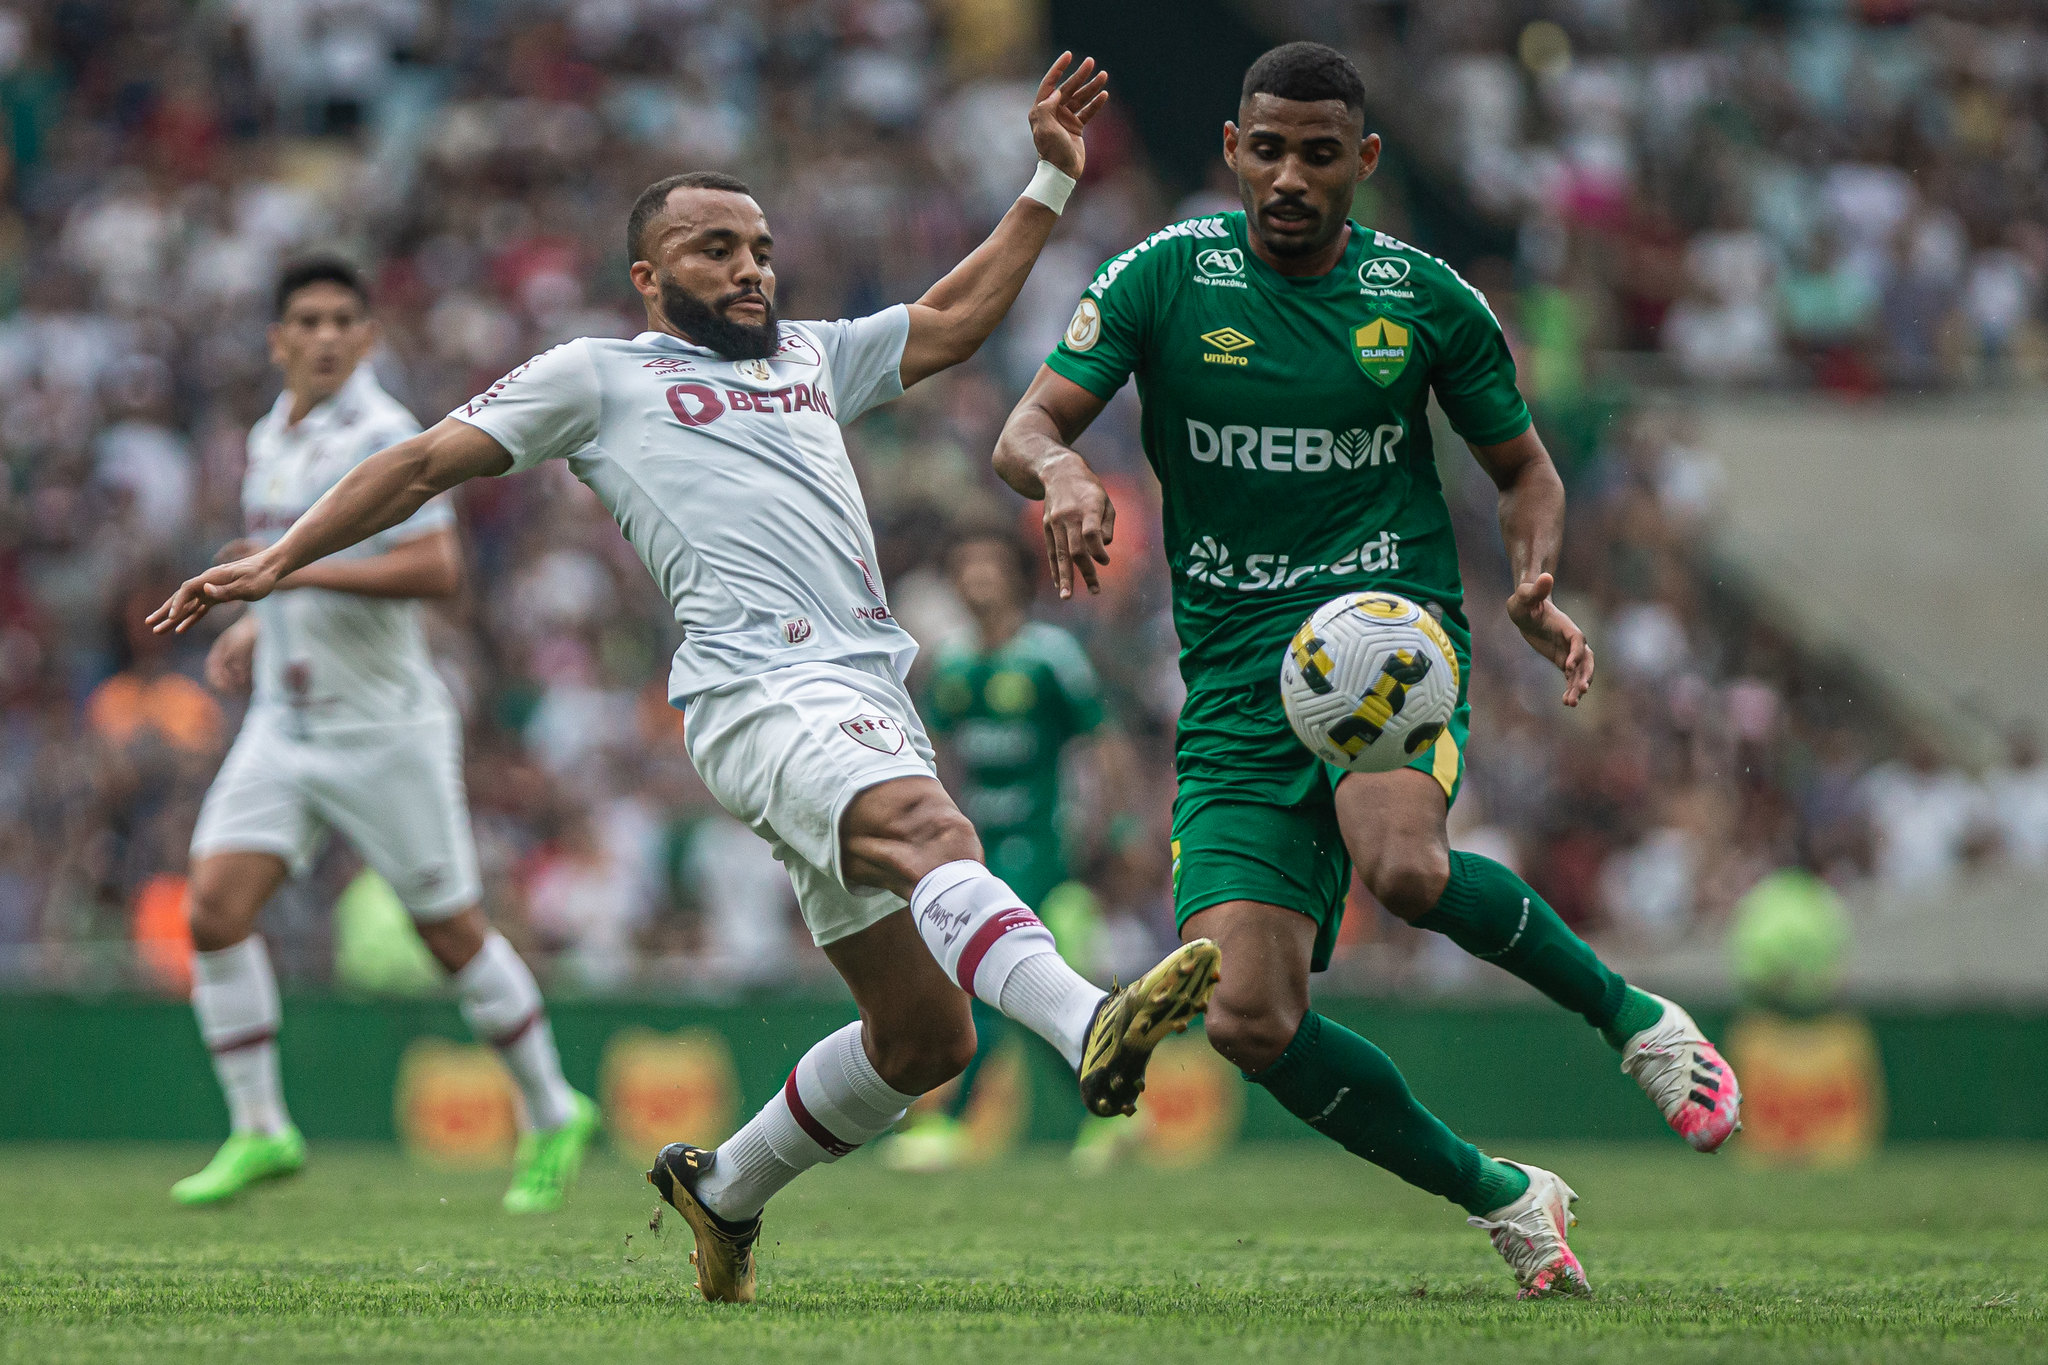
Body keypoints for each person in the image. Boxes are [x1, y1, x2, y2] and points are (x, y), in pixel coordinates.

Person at [151, 56, 1220, 1305]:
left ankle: (724, 1190)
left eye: (758, 244)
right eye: (713, 249)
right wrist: (281, 557)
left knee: (925, 1039)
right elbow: (423, 464)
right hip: (756, 691)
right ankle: (1087, 1016)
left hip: (865, 693)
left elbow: (949, 322)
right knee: (932, 832)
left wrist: (1046, 177)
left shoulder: (814, 355)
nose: (750, 266)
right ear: (648, 278)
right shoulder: (594, 375)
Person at [992, 42, 1743, 1299]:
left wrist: (1531, 580)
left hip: (1378, 633)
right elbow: (1028, 424)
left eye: (1319, 154)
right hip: (1231, 684)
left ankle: (1637, 1025)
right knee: (1246, 1019)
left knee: (1400, 867)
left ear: (1365, 164)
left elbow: (1524, 469)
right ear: (1231, 152)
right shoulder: (1163, 278)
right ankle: (1502, 1195)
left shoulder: (1423, 297)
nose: (1290, 176)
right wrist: (1064, 471)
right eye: (1267, 150)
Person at [172, 257, 600, 1211]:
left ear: (367, 335)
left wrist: (282, 577)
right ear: (278, 338)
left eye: (342, 321)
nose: (325, 336)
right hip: (286, 721)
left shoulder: (384, 431)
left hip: (384, 728)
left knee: (450, 933)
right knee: (212, 909)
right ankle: (260, 1128)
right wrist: (256, 621)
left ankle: (550, 1107)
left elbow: (434, 567)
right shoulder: (266, 436)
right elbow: (288, 568)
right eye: (307, 321)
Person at [879, 522, 1134, 1174]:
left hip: (1042, 840)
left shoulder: (1051, 655)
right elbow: (932, 752)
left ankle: (951, 1126)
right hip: (978, 847)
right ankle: (1108, 1110)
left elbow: (1101, 744)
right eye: (966, 566)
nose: (977, 578)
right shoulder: (955, 662)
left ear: (1016, 577)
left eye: (989, 565)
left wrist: (1117, 829)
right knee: (1019, 991)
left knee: (987, 976)